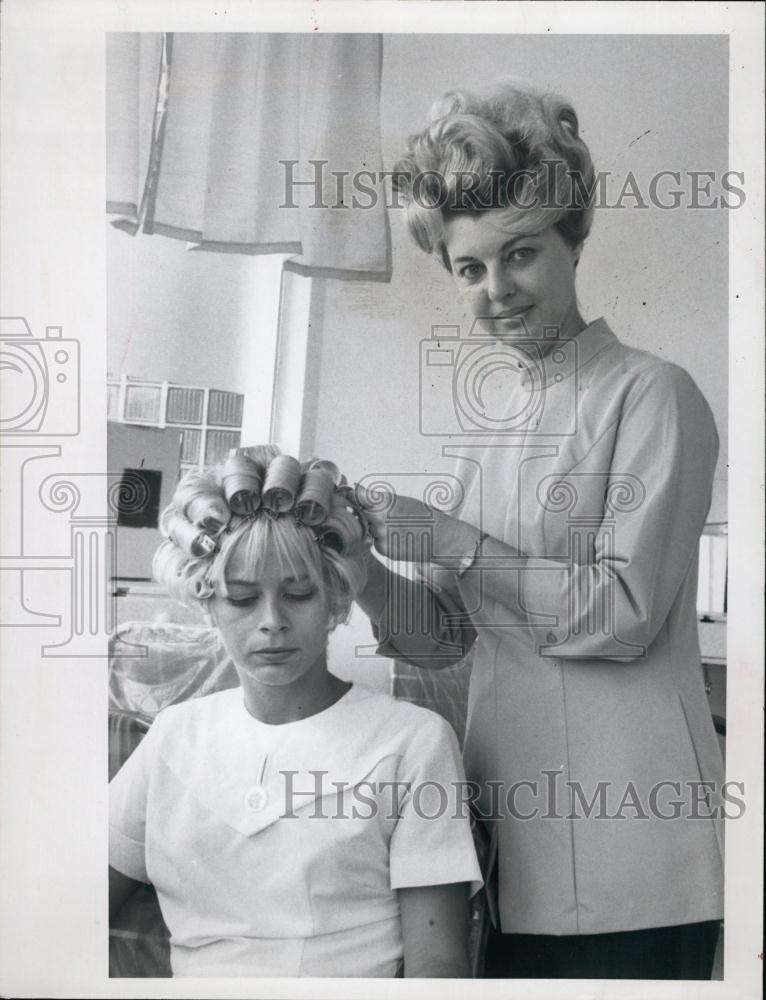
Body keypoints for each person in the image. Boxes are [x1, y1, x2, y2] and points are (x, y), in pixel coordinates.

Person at [354, 80, 724, 979]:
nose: (495, 290)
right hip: (508, 849)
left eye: (518, 254)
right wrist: (359, 564)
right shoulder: (489, 429)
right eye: (469, 269)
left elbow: (625, 613)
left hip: (634, 860)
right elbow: (444, 640)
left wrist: (452, 541)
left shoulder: (654, 393)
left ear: (573, 239)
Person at [108, 445, 482, 978]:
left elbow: (439, 966)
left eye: (299, 594)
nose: (272, 622)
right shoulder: (175, 735)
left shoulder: (414, 743)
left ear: (335, 597)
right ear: (207, 602)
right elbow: (70, 910)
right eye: (241, 598)